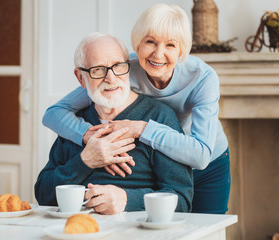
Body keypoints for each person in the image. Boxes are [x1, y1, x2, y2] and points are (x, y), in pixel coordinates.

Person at [42, 3, 230, 214]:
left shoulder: (201, 77)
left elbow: (201, 157)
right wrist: (90, 140)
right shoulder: (122, 67)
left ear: (181, 51)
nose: (158, 54)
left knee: (208, 225)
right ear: (138, 44)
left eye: (170, 45)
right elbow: (55, 113)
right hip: (161, 155)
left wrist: (142, 129)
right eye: (150, 41)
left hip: (205, 158)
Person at [35, 33, 193, 214]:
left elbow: (182, 200)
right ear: (81, 78)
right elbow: (43, 195)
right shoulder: (73, 124)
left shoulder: (158, 116)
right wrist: (84, 161)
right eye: (98, 70)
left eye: (118, 66)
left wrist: (127, 200)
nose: (111, 78)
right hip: (79, 228)